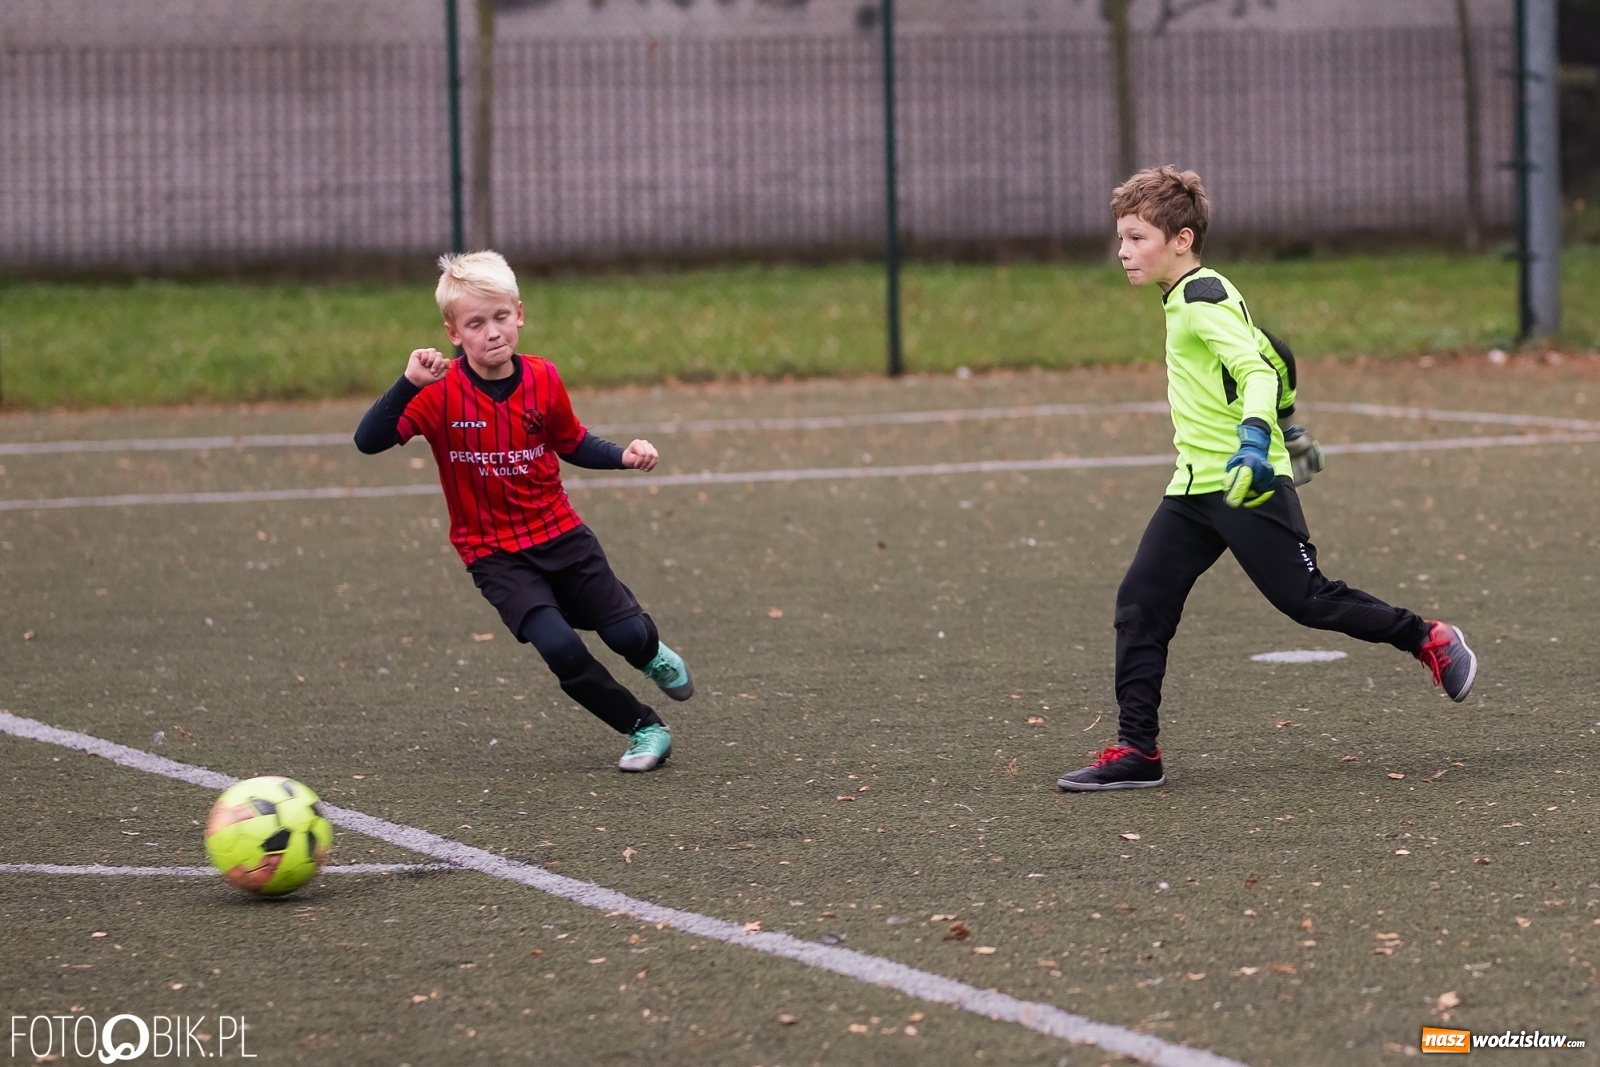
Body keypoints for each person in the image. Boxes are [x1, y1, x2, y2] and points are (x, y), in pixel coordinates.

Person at [1056, 166, 1476, 793]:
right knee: (1141, 603)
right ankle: (1138, 750)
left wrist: (1259, 440)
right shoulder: (1194, 294)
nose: (1123, 251)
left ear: (1182, 239)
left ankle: (1429, 638)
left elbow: (1255, 368)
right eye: (1121, 237)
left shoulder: (1201, 298)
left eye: (1136, 237)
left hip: (1243, 481)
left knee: (1306, 600)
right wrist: (1287, 421)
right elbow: (1274, 348)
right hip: (1195, 487)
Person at [354, 250, 692, 773]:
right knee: (559, 647)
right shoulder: (437, 393)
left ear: (519, 313)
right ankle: (643, 728)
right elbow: (368, 441)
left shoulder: (543, 378)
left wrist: (623, 456)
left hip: (562, 536)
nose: (492, 332)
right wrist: (407, 385)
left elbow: (572, 442)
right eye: (476, 323)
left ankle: (649, 653)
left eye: (501, 317)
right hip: (493, 554)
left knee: (625, 636)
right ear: (453, 333)